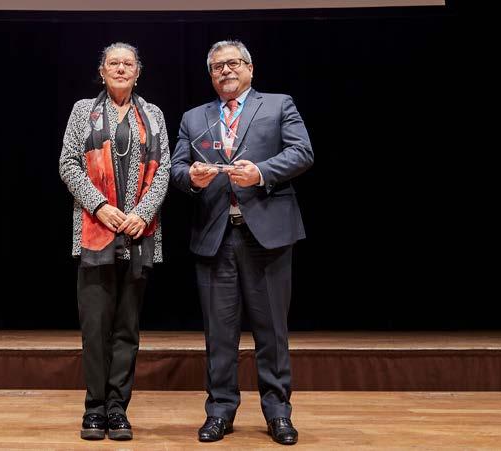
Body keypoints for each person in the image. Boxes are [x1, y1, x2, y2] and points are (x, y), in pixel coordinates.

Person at [171, 40, 313, 445]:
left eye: (233, 63)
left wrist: (262, 172)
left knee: (272, 332)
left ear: (250, 68)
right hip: (215, 236)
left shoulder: (279, 105)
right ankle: (219, 411)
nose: (226, 71)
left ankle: (278, 413)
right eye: (217, 67)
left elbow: (303, 152)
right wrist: (191, 177)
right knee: (219, 334)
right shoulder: (194, 117)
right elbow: (177, 167)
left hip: (267, 236)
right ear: (210, 75)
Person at [59, 42, 170, 441]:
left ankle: (117, 408)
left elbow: (164, 170)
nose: (121, 68)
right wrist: (101, 206)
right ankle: (94, 408)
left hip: (138, 234)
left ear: (138, 72)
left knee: (127, 328)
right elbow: (68, 164)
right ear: (102, 71)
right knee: (95, 328)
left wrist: (142, 213)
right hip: (96, 233)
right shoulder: (82, 111)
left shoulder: (153, 114)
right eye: (113, 63)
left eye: (128, 63)